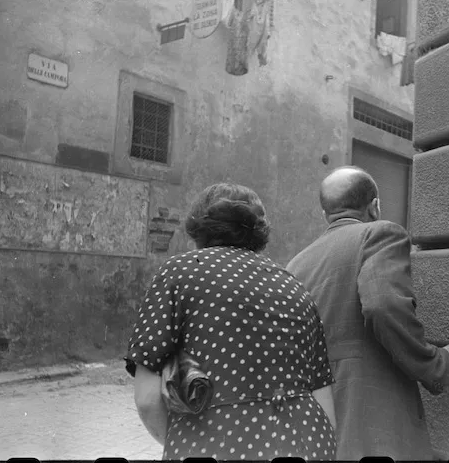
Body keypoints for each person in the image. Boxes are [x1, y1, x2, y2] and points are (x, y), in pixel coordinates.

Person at [124, 183, 337, 460]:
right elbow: (324, 399)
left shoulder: (179, 273)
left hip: (219, 444)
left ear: (199, 227)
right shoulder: (293, 285)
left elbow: (148, 398)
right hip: (311, 443)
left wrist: (184, 444)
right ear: (259, 231)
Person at [286, 166, 449, 460]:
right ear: (374, 206)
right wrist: (440, 363)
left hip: (314, 429)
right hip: (373, 424)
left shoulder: (296, 264)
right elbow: (382, 304)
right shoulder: (380, 234)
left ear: (325, 214)